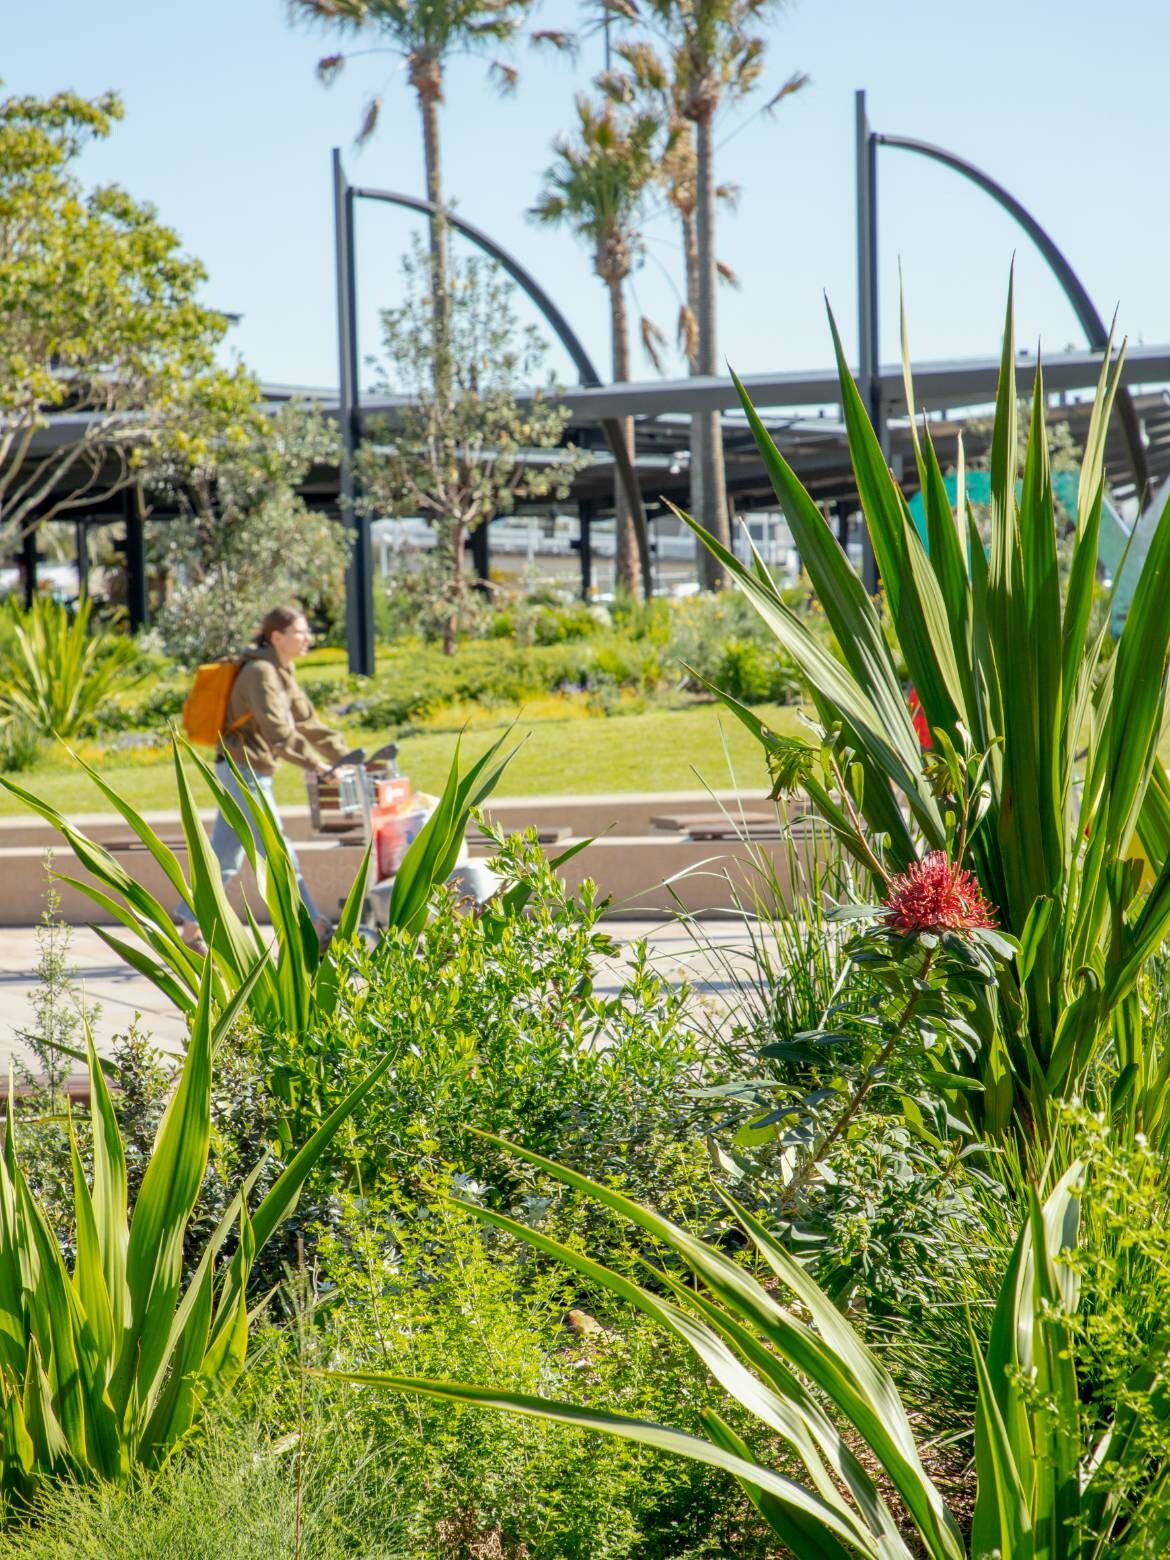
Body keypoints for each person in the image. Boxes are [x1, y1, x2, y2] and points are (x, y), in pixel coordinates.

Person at [177, 606, 351, 953]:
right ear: (277, 637)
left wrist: (345, 756)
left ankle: (190, 930)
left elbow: (307, 722)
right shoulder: (259, 673)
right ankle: (313, 927)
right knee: (278, 850)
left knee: (225, 857)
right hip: (244, 775)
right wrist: (318, 767)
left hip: (247, 773)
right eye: (300, 632)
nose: (308, 639)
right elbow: (280, 734)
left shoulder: (280, 671)